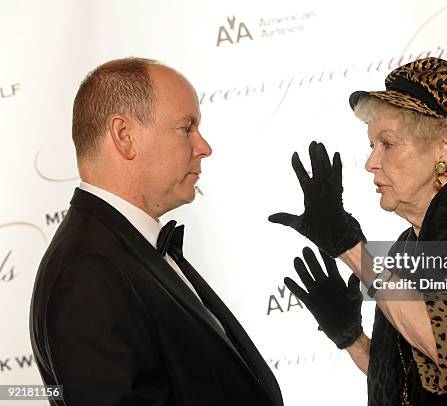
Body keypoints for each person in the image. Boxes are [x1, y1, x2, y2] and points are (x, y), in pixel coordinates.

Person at [269, 57, 447, 405]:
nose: (370, 162)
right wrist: (351, 338)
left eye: (388, 144)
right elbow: (408, 380)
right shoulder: (405, 249)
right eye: (371, 146)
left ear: (443, 149)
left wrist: (351, 248)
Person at [30, 57, 283, 406]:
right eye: (186, 127)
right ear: (124, 136)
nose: (204, 147)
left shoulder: (120, 250)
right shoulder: (88, 272)